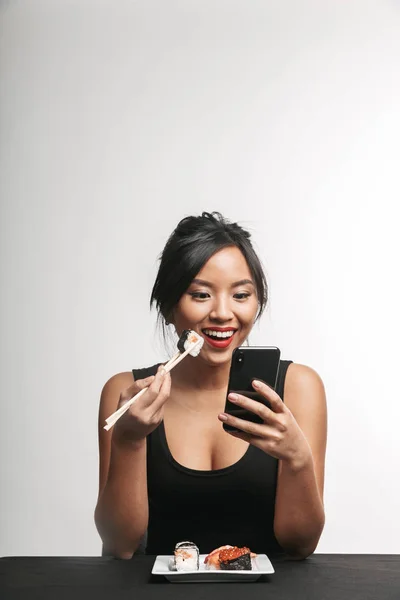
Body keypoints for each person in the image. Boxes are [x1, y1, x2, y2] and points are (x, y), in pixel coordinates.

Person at [94, 212, 327, 560]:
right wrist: (128, 439)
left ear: (257, 302)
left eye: (241, 295)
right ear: (170, 305)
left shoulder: (298, 389)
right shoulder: (126, 392)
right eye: (201, 295)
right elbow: (119, 546)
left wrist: (297, 459)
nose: (222, 313)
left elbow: (301, 545)